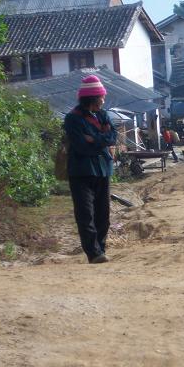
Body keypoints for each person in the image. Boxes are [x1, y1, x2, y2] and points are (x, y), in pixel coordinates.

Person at [64, 75, 117, 264]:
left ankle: (101, 248)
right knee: (86, 214)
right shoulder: (72, 119)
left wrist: (94, 139)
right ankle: (93, 253)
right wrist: (101, 139)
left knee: (103, 214)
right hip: (81, 172)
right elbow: (81, 146)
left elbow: (112, 136)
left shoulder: (103, 115)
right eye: (101, 97)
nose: (103, 100)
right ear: (92, 98)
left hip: (103, 170)